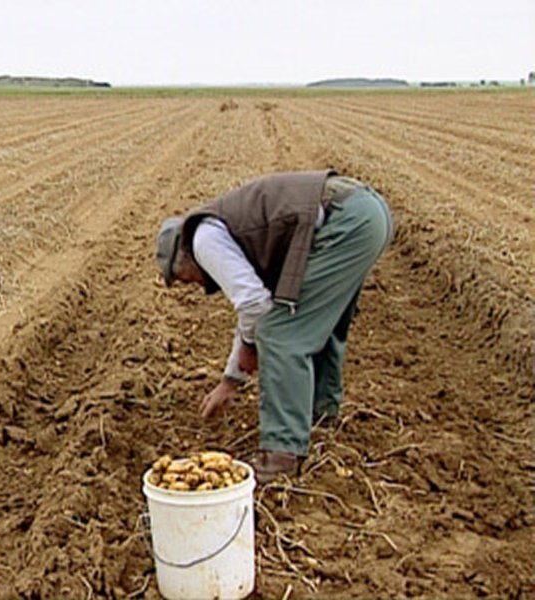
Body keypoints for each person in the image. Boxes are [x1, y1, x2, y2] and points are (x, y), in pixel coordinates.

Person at [155, 170, 393, 484]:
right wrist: (231, 380)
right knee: (317, 324)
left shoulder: (202, 240)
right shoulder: (218, 230)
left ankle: (281, 453)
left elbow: (255, 306)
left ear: (181, 257)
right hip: (366, 213)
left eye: (182, 279)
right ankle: (320, 416)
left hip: (348, 221)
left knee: (280, 333)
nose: (193, 286)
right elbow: (253, 306)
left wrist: (251, 348)